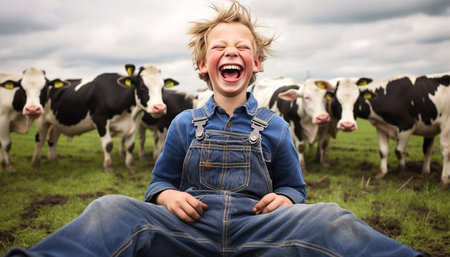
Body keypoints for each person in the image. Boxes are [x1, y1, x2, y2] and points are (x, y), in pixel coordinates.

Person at [5, 1, 423, 256]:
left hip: (259, 230)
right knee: (109, 209)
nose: (231, 52)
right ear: (203, 65)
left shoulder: (275, 126)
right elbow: (159, 184)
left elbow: (296, 188)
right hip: (187, 233)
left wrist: (286, 198)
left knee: (330, 218)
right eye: (219, 47)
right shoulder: (184, 123)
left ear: (255, 64)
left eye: (243, 47)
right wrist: (167, 195)